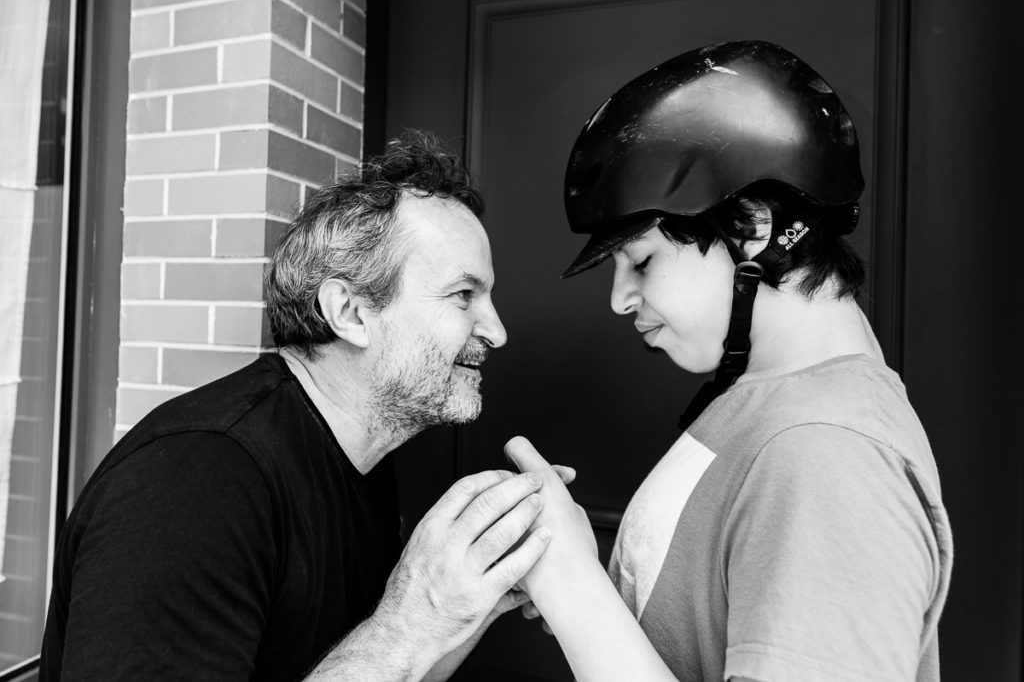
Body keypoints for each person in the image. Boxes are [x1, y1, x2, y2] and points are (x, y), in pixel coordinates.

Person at [40, 131, 563, 681]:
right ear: (352, 312)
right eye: (464, 295)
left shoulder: (365, 461)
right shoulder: (195, 480)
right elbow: (392, 646)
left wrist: (469, 600)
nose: (498, 331)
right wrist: (413, 619)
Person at [509, 40, 953, 681]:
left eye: (641, 260)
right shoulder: (767, 399)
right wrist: (575, 582)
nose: (619, 300)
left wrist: (576, 587)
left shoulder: (830, 458)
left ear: (753, 228)